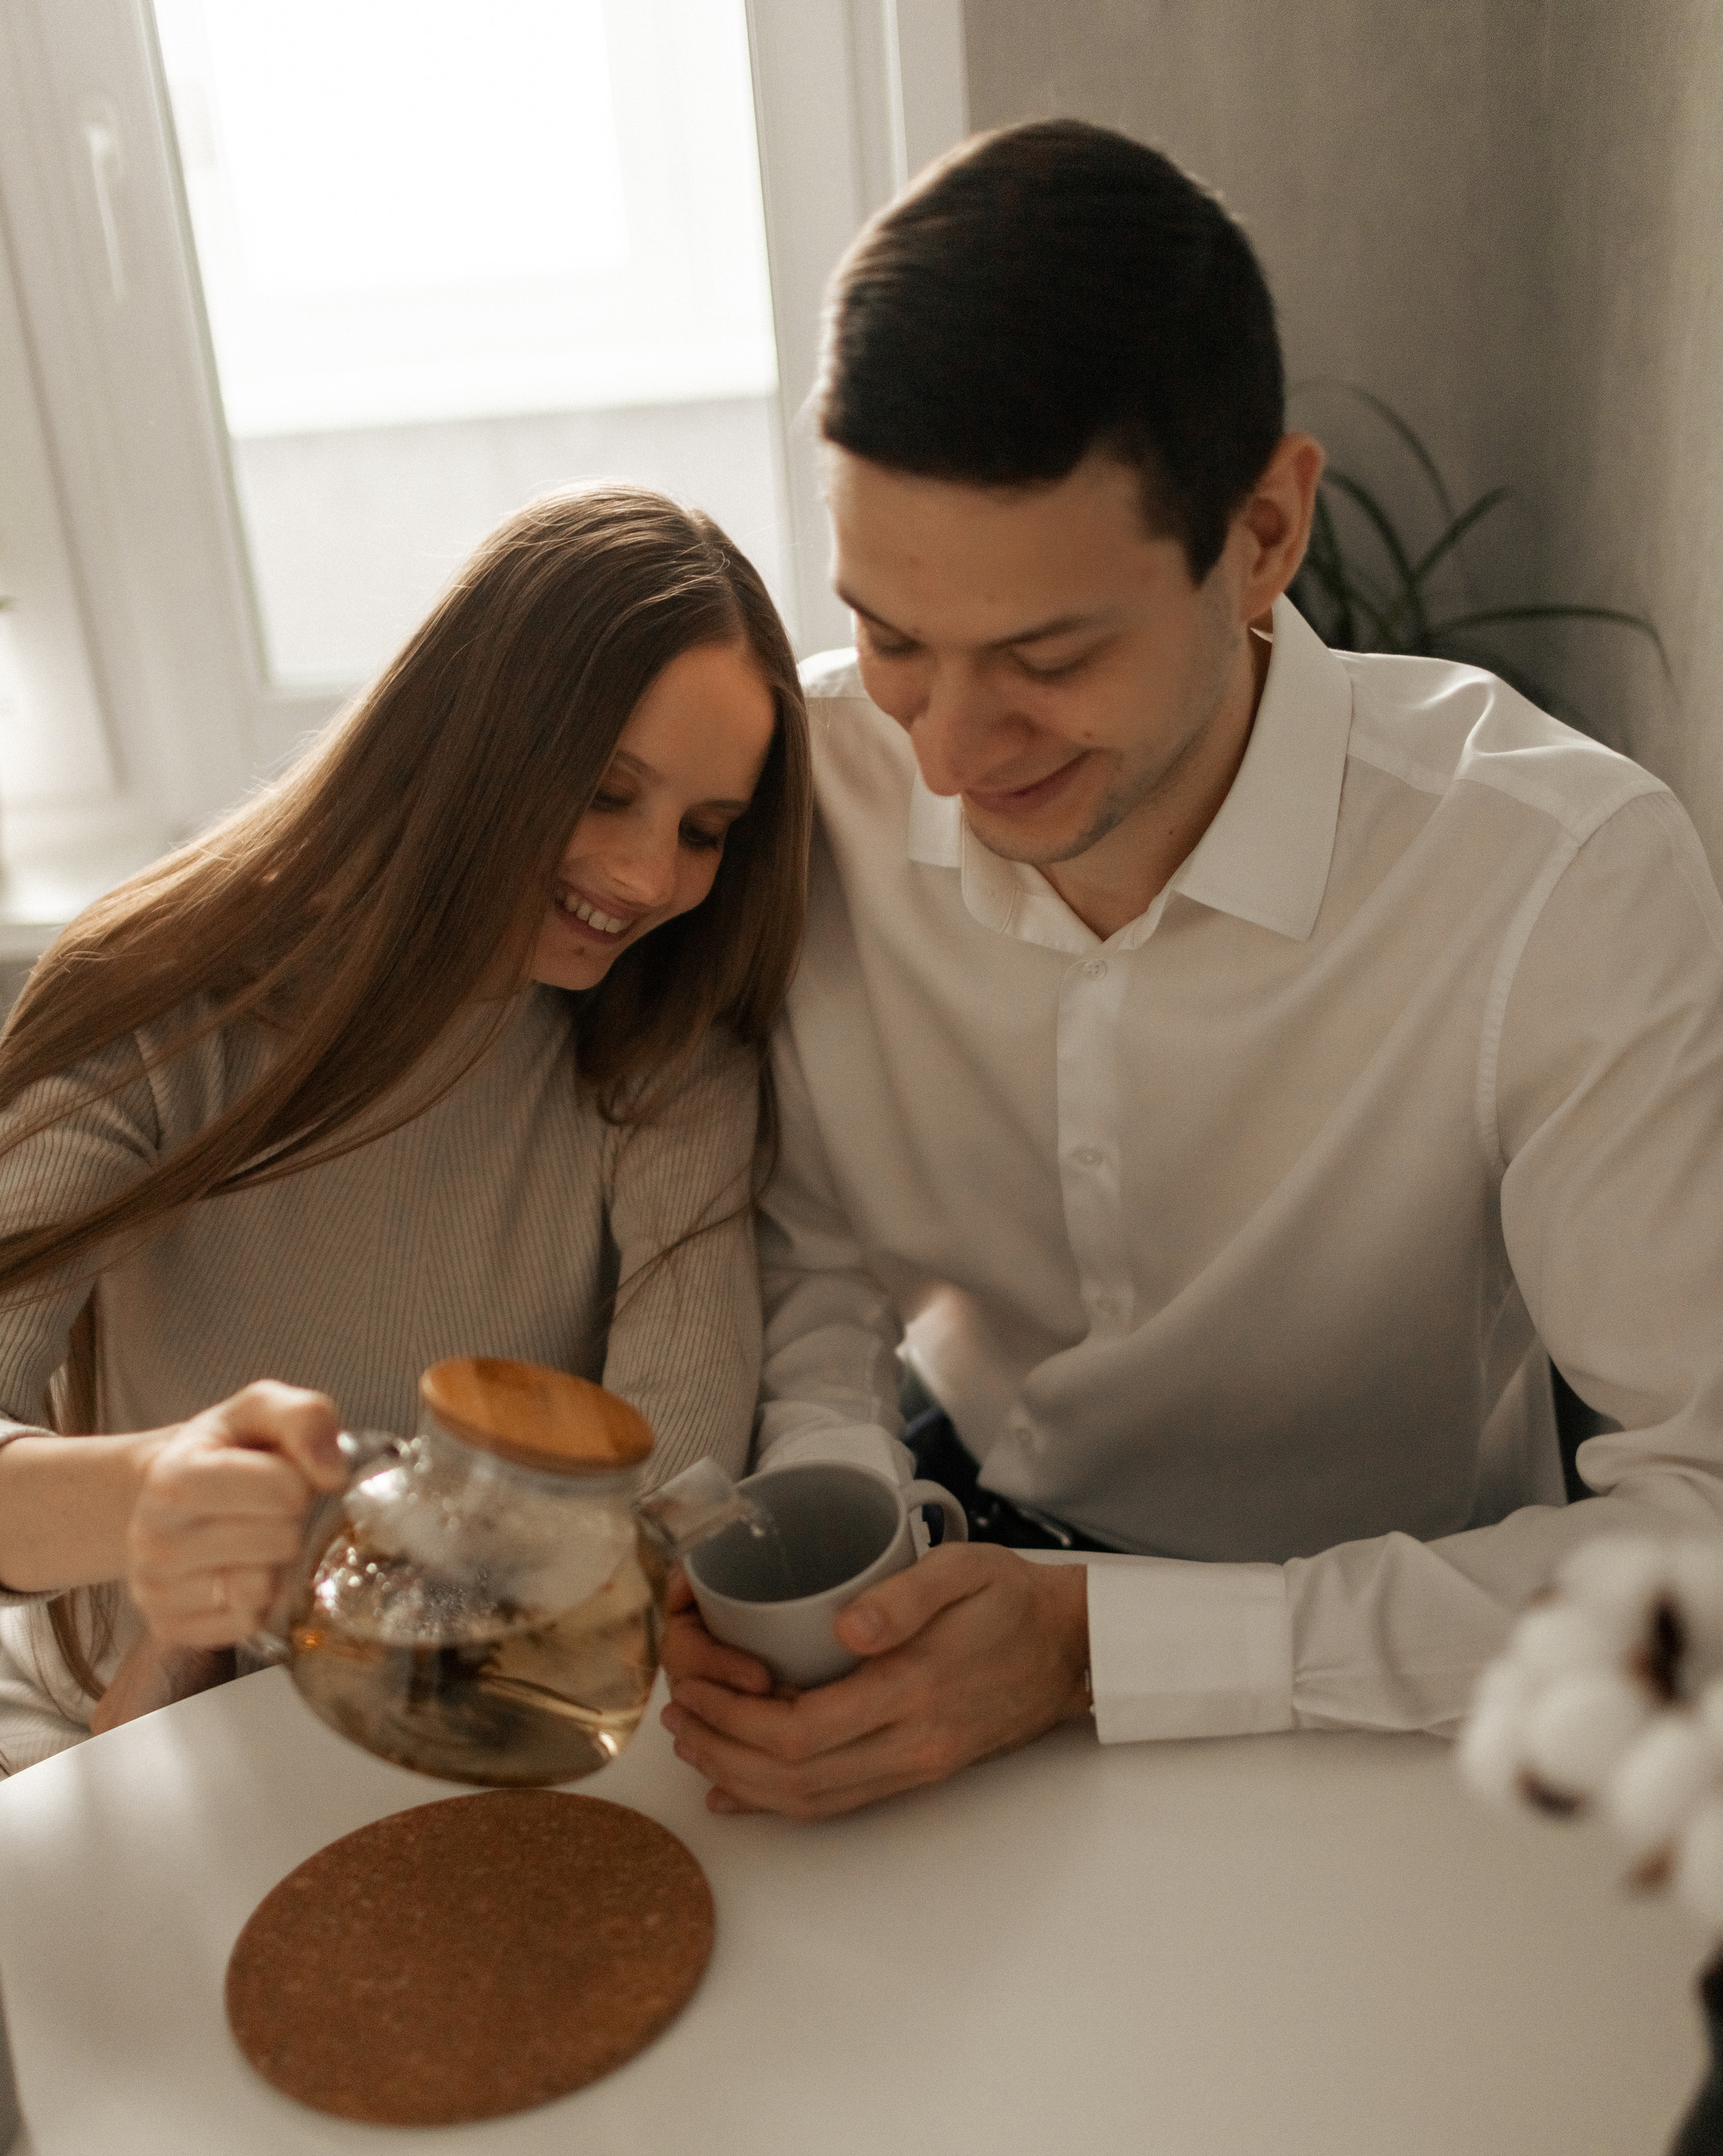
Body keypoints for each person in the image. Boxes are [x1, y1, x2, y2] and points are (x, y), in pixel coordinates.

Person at [660, 118, 1723, 1819]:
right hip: (943, 1530)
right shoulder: (802, 780)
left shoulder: (1559, 880)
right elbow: (813, 1242)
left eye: (1048, 656)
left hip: (1385, 1649)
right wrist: (835, 1521)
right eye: (894, 638)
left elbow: (1698, 1545)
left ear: (1263, 533)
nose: (939, 754)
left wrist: (1101, 1647)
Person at [0, 485, 810, 1770]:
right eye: (606, 793)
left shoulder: (669, 1057)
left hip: (487, 1710)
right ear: (472, 737)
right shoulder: (159, 1003)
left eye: (705, 832)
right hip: (109, 1730)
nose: (653, 878)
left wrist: (319, 1621)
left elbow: (658, 1516)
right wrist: (152, 1505)